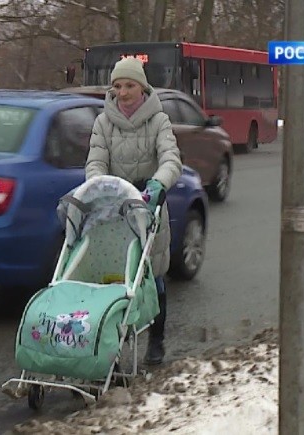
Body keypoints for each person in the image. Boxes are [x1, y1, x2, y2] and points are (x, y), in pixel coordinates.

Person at [85, 56, 183, 365]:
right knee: (114, 278)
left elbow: (171, 158)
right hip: (114, 208)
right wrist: (97, 187)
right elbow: (96, 160)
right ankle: (111, 344)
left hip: (148, 206)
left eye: (129, 85)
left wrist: (158, 184)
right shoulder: (103, 122)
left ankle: (156, 340)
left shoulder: (159, 121)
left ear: (141, 87)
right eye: (117, 86)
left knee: (152, 277)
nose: (123, 92)